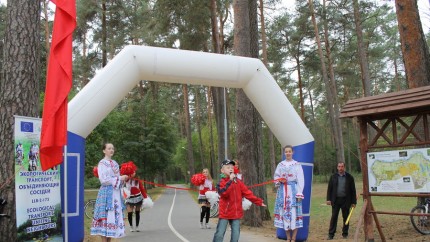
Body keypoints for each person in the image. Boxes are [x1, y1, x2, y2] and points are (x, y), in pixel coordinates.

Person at [212, 159, 266, 242]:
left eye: (232, 168)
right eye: (228, 167)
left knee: (236, 235)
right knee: (219, 234)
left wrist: (258, 201)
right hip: (225, 213)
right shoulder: (221, 182)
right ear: (222, 170)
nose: (230, 169)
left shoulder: (238, 182)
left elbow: (247, 193)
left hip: (236, 213)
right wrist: (230, 181)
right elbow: (224, 193)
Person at [90, 143, 129, 242]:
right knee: (105, 217)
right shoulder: (102, 163)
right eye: (109, 148)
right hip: (106, 194)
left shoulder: (115, 163)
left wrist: (123, 179)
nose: (111, 150)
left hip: (115, 194)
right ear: (104, 151)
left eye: (112, 148)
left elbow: (117, 179)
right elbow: (104, 180)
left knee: (111, 219)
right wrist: (120, 178)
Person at [273, 145, 305, 242]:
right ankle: (288, 238)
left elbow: (300, 179)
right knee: (284, 213)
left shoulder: (297, 164)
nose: (288, 153)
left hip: (293, 191)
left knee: (294, 214)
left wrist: (299, 193)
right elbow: (276, 176)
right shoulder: (280, 165)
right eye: (286, 151)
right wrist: (278, 181)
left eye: (289, 151)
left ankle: (294, 238)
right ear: (284, 153)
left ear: (292, 152)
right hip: (283, 191)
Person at [326, 161, 357, 240]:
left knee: (346, 218)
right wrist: (328, 199)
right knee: (334, 217)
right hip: (335, 201)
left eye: (342, 166)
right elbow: (329, 189)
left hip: (346, 201)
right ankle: (331, 234)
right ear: (337, 167)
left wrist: (354, 202)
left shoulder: (350, 177)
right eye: (339, 166)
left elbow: (353, 190)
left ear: (344, 167)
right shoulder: (333, 177)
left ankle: (345, 234)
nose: (340, 168)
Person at [125, 166, 148, 232]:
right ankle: (131, 226)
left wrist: (145, 197)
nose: (133, 173)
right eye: (132, 172)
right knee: (130, 213)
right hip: (130, 198)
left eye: (134, 172)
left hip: (138, 197)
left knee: (137, 212)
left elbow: (142, 189)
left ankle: (137, 226)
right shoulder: (127, 179)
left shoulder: (138, 181)